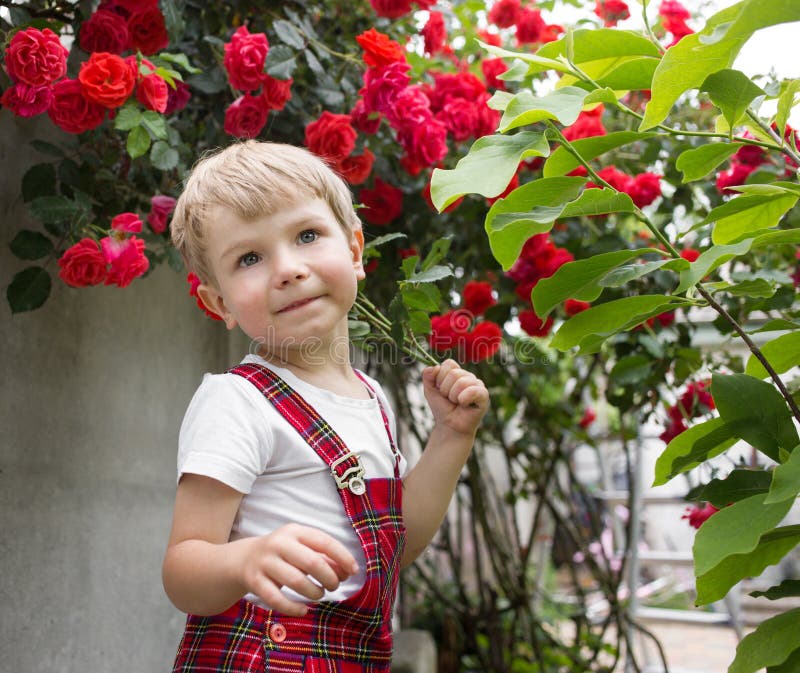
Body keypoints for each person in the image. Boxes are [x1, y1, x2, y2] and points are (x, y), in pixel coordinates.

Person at [162, 140, 489, 673]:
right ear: (217, 302)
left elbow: (393, 548)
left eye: (307, 235)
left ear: (356, 251)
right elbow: (182, 568)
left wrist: (451, 438)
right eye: (249, 258)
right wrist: (243, 560)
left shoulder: (371, 398)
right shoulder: (238, 401)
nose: (287, 269)